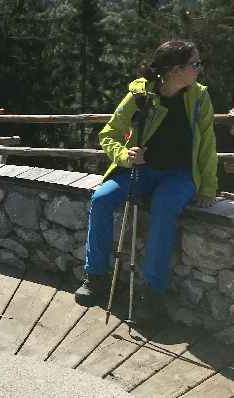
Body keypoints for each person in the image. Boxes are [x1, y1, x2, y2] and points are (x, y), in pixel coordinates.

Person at [74, 40, 217, 319]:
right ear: (175, 70)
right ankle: (96, 277)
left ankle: (152, 293)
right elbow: (109, 133)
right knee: (102, 199)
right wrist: (125, 156)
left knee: (164, 207)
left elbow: (207, 144)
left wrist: (209, 186)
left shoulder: (199, 98)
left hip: (180, 175)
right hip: (140, 170)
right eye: (195, 64)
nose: (199, 69)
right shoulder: (141, 94)